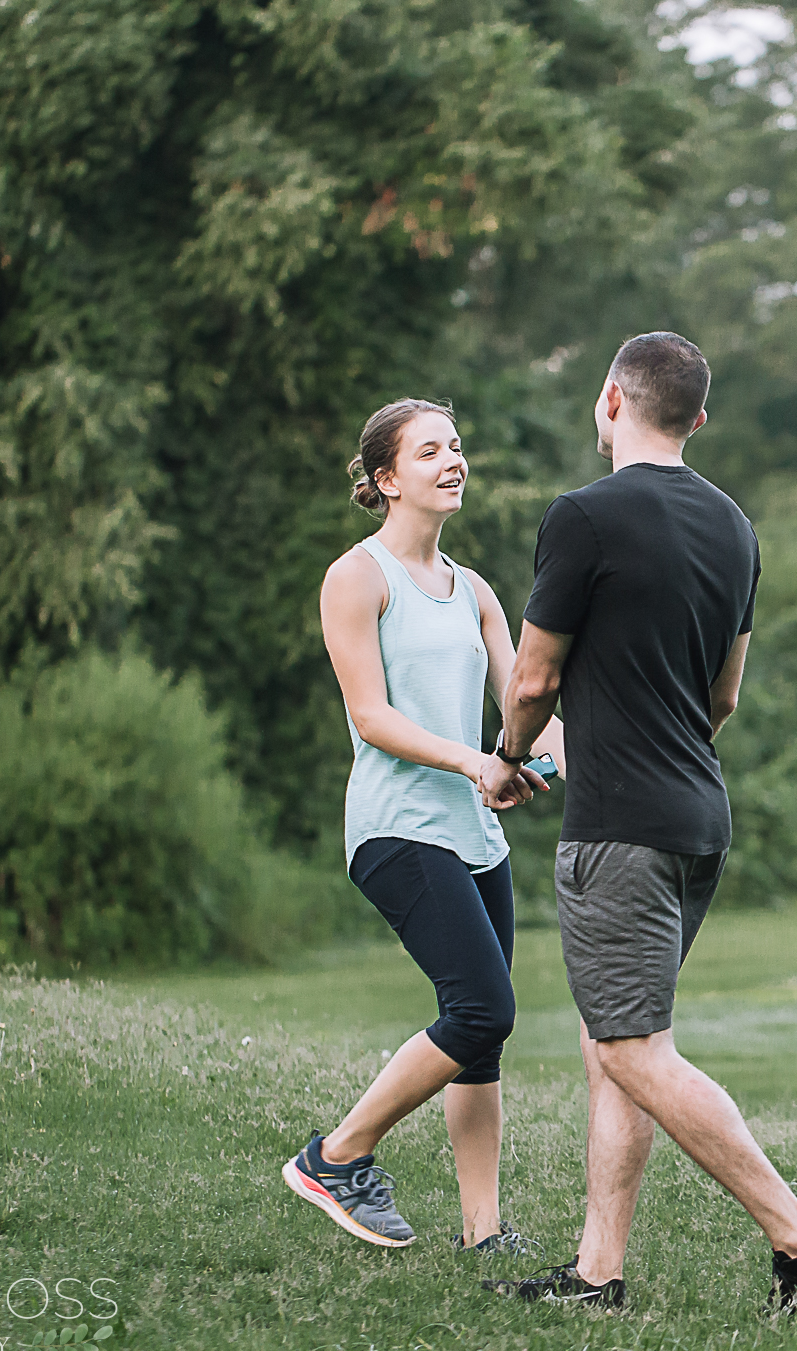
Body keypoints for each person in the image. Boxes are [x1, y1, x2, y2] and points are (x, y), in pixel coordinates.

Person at [477, 333, 797, 1314]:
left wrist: (509, 754)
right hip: (699, 817)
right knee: (619, 1039)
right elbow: (722, 697)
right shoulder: (734, 528)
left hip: (620, 826)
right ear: (696, 418)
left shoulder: (582, 516)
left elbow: (531, 676)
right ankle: (597, 1272)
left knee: (626, 1048)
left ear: (609, 401)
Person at [281, 397, 563, 1254]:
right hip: (398, 828)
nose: (454, 460)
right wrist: (476, 760)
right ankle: (336, 1155)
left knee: (478, 1040)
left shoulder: (472, 587)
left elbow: (526, 699)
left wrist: (542, 754)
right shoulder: (357, 577)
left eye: (458, 445)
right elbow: (371, 716)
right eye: (430, 449)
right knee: (483, 1009)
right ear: (385, 478)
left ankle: (483, 1233)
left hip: (476, 838)